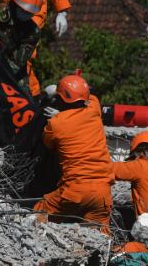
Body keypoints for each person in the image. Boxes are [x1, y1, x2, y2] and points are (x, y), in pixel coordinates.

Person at [34, 73, 114, 233]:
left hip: (74, 190)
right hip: (102, 194)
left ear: (60, 99)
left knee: (39, 214)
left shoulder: (55, 124)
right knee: (98, 239)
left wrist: (58, 115)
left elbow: (48, 144)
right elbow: (92, 98)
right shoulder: (94, 109)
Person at [0, 0, 44, 91]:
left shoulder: (32, 31)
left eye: (30, 12)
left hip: (8, 69)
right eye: (23, 10)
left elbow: (18, 63)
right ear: (15, 4)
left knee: (24, 98)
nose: (26, 14)